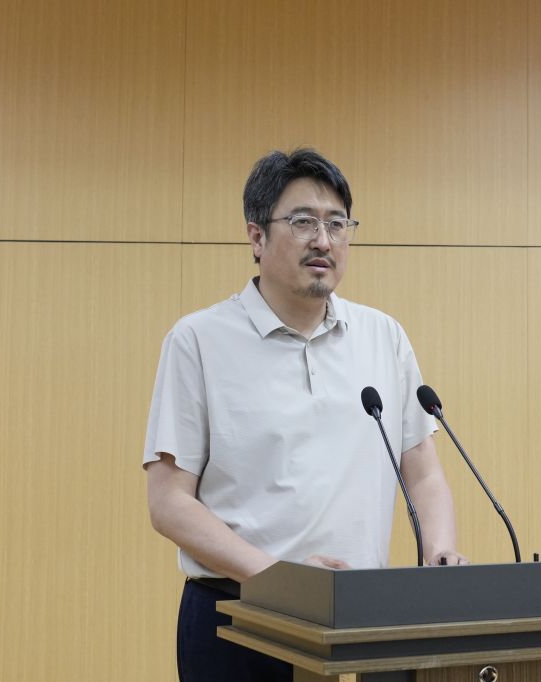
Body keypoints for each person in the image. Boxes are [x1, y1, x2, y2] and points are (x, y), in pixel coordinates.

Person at [143, 148, 465, 681]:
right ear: (256, 237)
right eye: (303, 222)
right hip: (239, 615)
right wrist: (284, 582)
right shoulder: (199, 340)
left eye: (337, 224)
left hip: (364, 619)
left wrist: (440, 553)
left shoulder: (383, 336)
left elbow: (423, 471)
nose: (324, 240)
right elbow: (169, 503)